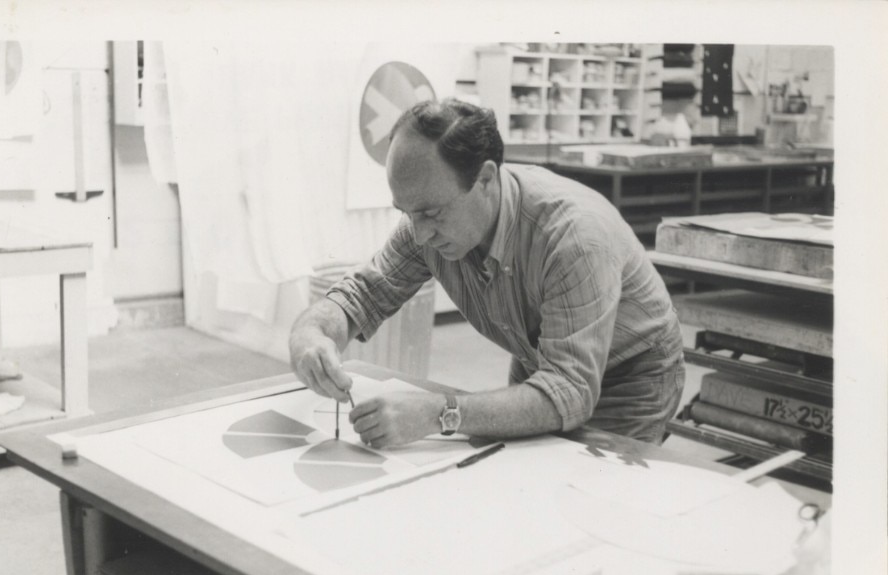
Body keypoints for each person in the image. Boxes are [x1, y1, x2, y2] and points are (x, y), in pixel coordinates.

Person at [289, 98, 684, 449]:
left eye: (431, 213)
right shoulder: (425, 221)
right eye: (407, 213)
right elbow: (361, 295)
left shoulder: (574, 237)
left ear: (486, 179)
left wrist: (437, 414)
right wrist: (312, 335)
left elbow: (571, 391)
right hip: (544, 360)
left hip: (633, 375)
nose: (420, 234)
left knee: (592, 500)